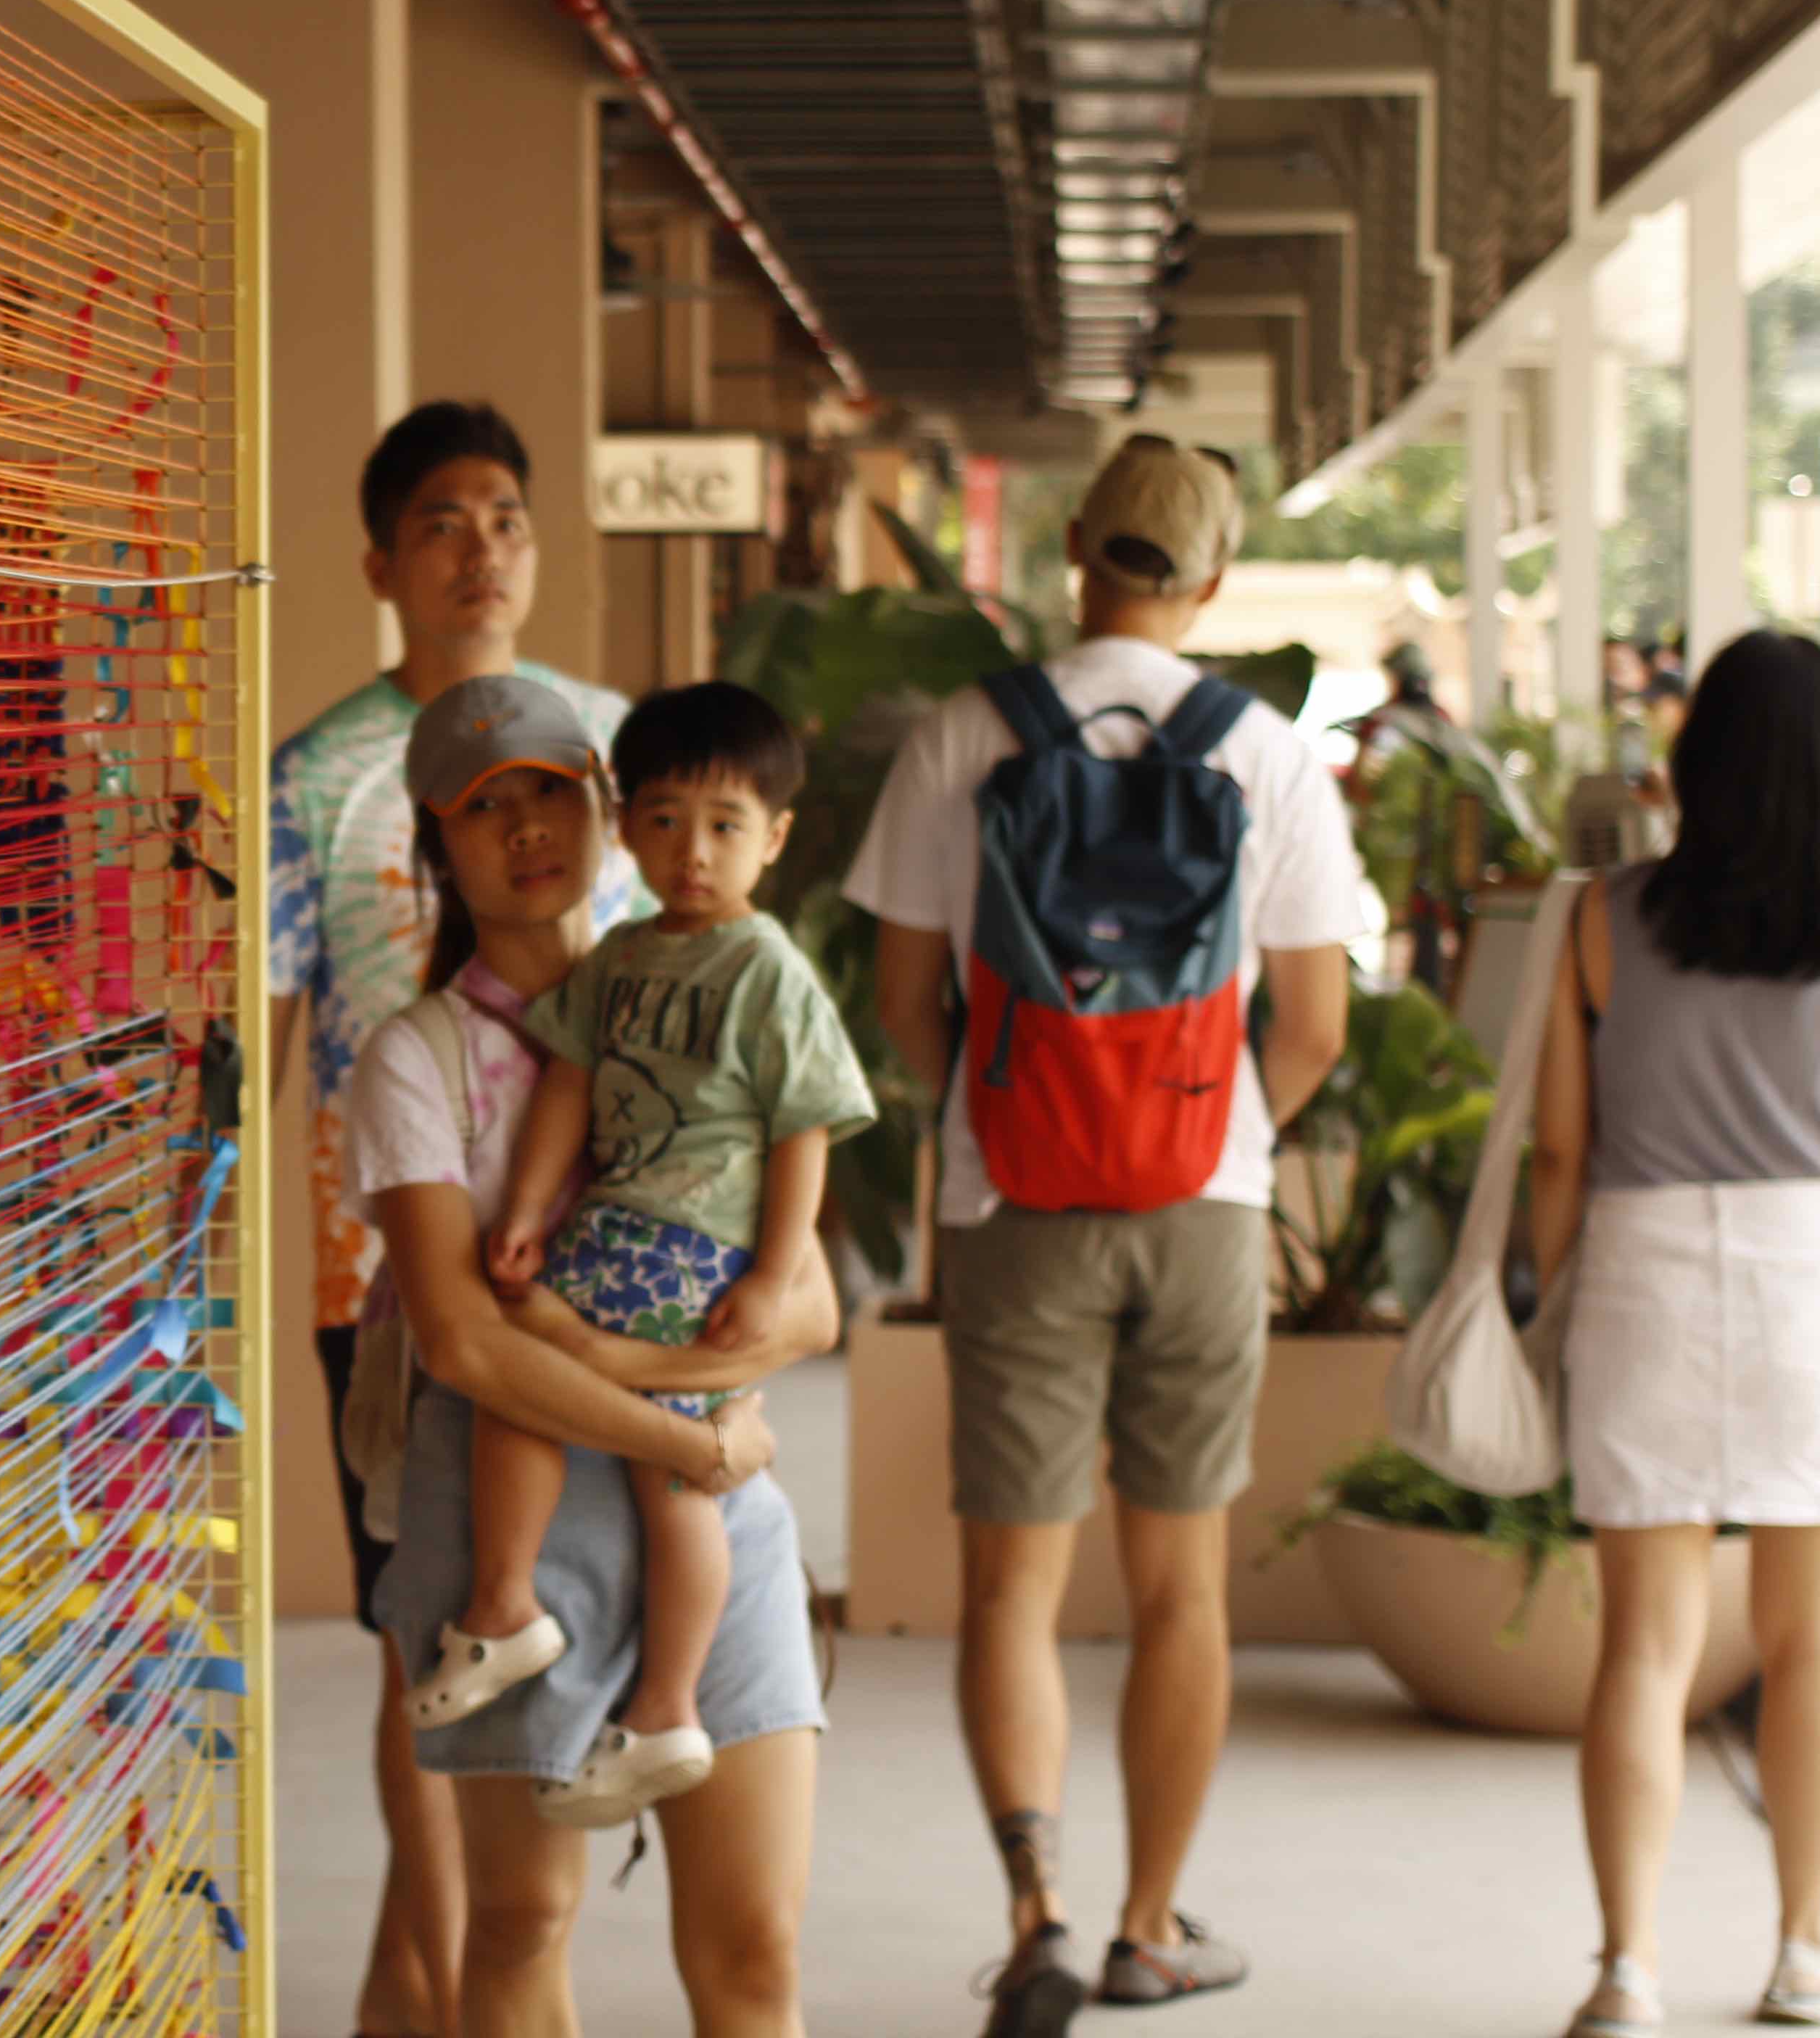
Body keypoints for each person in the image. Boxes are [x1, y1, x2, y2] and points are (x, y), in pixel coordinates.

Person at [845, 434, 1359, 2036]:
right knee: (1178, 1583)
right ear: (1211, 581)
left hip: (1016, 1207)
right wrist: (1204, 1124)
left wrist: (1011, 1116)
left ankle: (1040, 1913)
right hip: (1204, 1210)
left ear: (1080, 550)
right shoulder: (1269, 754)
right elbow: (1320, 1025)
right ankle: (1149, 1926)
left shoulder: (963, 733)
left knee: (1012, 1583)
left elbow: (908, 1007)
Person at [352, 675, 835, 2038]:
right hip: (530, 1517)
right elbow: (465, 1343)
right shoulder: (417, 1060)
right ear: (434, 850)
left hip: (711, 1517)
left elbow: (810, 1311)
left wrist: (689, 1414)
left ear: (598, 810)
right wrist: (691, 1433)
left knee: (755, 1947)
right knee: (518, 1923)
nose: (524, 831)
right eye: (481, 810)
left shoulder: (728, 983)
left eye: (547, 794)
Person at [269, 402, 643, 2038]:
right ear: (380, 563)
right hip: (390, 1288)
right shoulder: (315, 778)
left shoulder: (621, 756)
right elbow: (260, 1043)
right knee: (426, 1637)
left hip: (607, 1276)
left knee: (577, 1625)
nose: (479, 549)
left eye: (504, 517)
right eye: (441, 523)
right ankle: (460, 1980)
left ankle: (423, 1994)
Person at [1531, 630, 1820, 2038]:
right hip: (1811, 1288)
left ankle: (1625, 1969)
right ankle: (1803, 1951)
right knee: (1811, 1638)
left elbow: (1556, 1159)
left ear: (1697, 761)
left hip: (1645, 1274)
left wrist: (1554, 1309)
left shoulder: (1600, 920)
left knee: (1643, 1646)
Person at [413, 683, 872, 1833]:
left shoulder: (766, 967)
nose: (693, 851)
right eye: (664, 819)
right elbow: (568, 1081)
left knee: (657, 1467)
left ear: (774, 838)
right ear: (626, 825)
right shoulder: (621, 959)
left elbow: (801, 1124)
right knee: (564, 1409)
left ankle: (656, 1695)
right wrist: (524, 1209)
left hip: (697, 1248)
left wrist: (775, 1270)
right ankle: (519, 1612)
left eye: (725, 824)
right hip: (609, 1230)